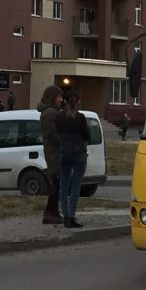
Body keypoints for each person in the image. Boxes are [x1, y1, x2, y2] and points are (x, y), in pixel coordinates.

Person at [56, 91, 90, 229]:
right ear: (78, 102)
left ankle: (65, 215)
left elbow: (57, 132)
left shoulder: (60, 117)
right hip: (78, 153)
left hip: (64, 152)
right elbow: (87, 135)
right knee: (76, 185)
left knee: (63, 185)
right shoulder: (80, 117)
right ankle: (71, 216)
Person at [38, 85, 65, 225]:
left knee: (57, 183)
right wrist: (64, 143)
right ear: (53, 97)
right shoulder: (49, 113)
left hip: (54, 152)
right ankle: (49, 212)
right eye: (59, 96)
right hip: (54, 153)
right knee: (56, 183)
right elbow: (52, 134)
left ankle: (53, 211)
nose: (61, 99)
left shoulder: (53, 112)